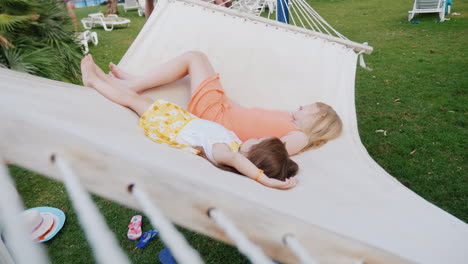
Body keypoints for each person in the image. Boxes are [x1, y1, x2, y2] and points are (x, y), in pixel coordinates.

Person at [81, 55, 299, 190]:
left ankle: (93, 81)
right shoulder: (234, 144)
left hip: (169, 125)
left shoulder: (226, 154)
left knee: (132, 99)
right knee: (137, 99)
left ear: (253, 156)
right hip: (178, 120)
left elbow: (239, 161)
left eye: (258, 141)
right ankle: (101, 78)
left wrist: (267, 180)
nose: (256, 138)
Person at [108, 51, 343, 156]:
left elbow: (268, 153)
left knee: (195, 57)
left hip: (215, 119)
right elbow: (250, 118)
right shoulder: (291, 122)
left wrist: (227, 151)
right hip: (222, 110)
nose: (301, 107)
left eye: (308, 107)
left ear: (321, 116)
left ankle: (133, 85)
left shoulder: (299, 137)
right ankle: (134, 81)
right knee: (198, 67)